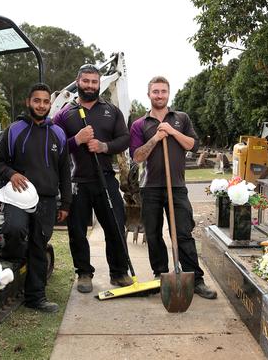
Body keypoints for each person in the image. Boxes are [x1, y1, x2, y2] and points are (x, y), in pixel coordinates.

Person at [129, 76, 217, 299]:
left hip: (177, 187)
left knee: (183, 233)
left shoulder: (181, 118)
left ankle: (195, 279)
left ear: (169, 94)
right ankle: (161, 276)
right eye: (155, 91)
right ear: (148, 94)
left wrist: (172, 131)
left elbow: (193, 145)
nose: (159, 95)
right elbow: (137, 157)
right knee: (154, 234)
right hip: (150, 188)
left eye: (163, 91)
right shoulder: (140, 125)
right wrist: (156, 138)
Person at [0, 83, 71, 312]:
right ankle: (14, 257)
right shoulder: (14, 130)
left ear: (49, 104)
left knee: (39, 245)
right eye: (37, 101)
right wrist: (11, 173)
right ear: (29, 102)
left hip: (46, 200)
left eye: (46, 101)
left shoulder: (58, 133)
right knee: (14, 230)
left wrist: (65, 202)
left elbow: (65, 171)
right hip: (17, 196)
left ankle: (36, 297)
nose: (42, 105)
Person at [53, 64, 133, 293]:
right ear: (78, 82)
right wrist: (76, 140)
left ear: (99, 84)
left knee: (116, 226)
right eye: (86, 81)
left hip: (105, 179)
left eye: (94, 82)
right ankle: (84, 274)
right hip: (77, 182)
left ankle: (119, 273)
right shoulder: (64, 114)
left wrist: (104, 146)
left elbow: (124, 139)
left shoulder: (111, 111)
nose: (90, 85)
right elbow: (54, 147)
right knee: (77, 231)